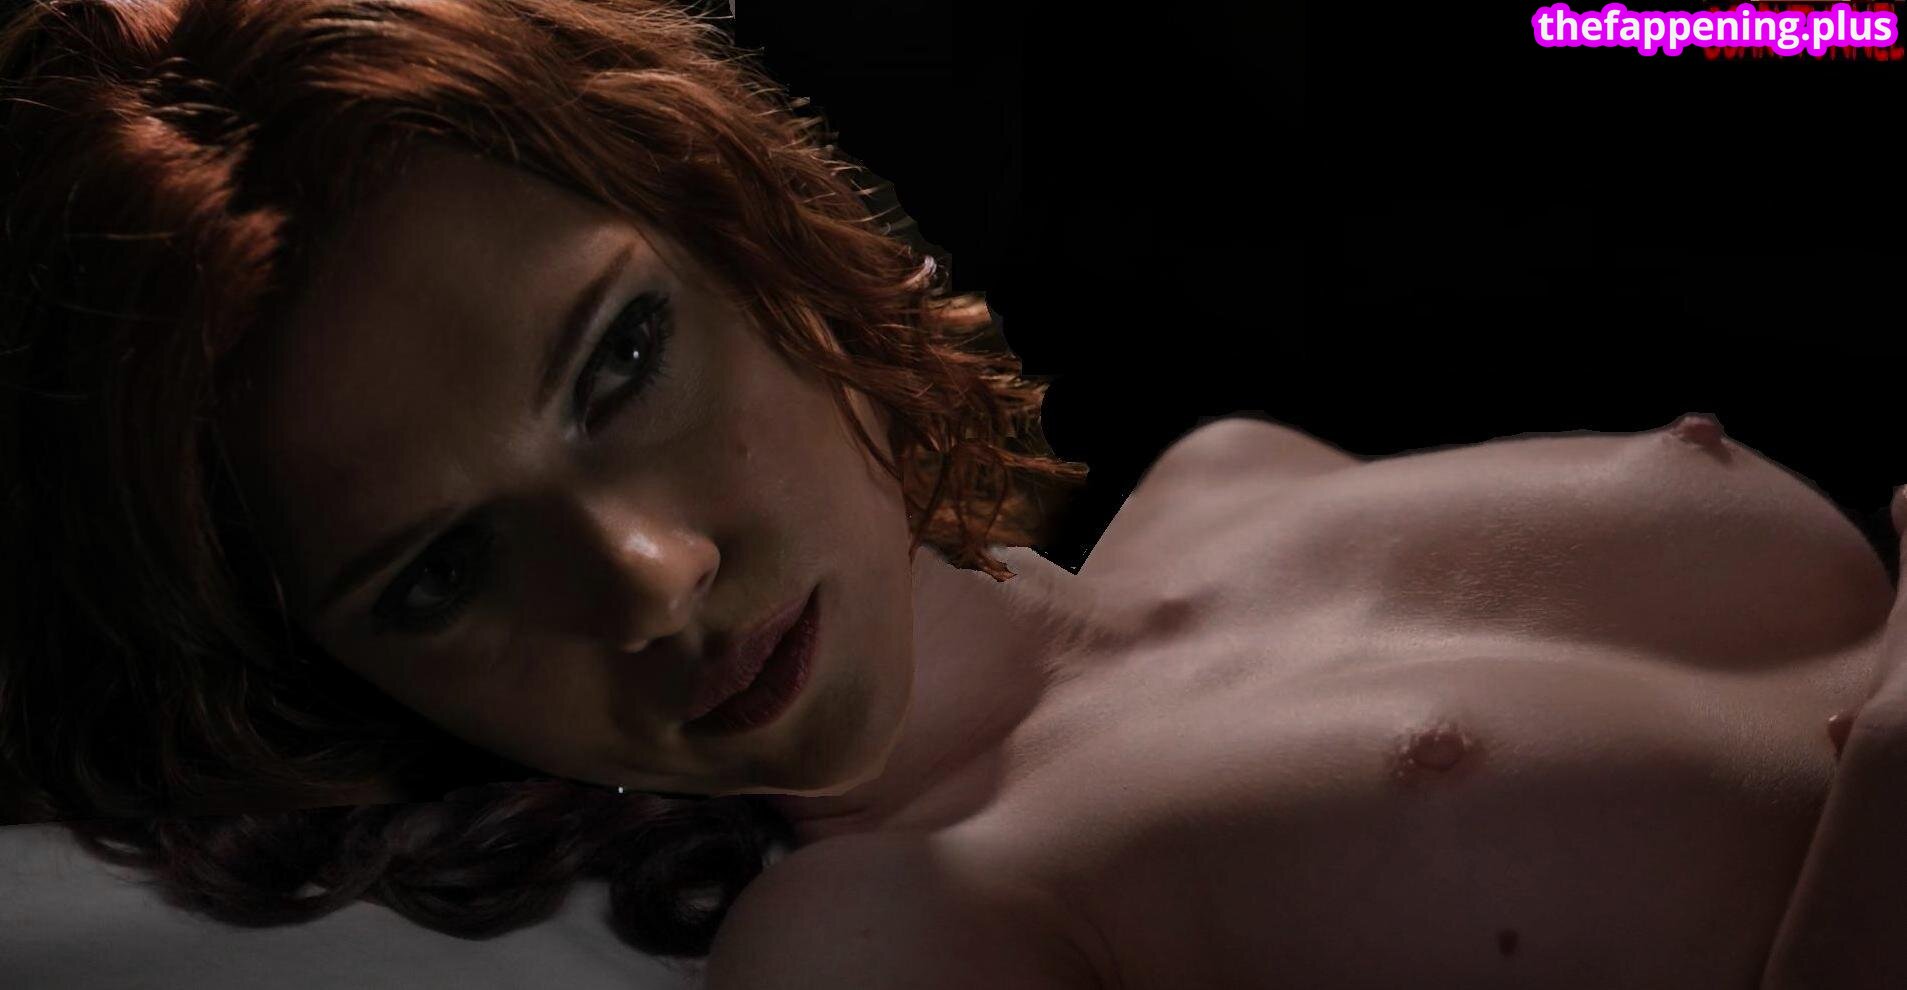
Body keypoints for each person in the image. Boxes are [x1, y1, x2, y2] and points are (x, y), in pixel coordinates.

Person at [0, 1, 1889, 987]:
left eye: (621, 361)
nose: (651, 575)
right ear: (352, 686)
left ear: (740, 227)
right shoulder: (873, 940)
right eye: (440, 575)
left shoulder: (1240, 471)